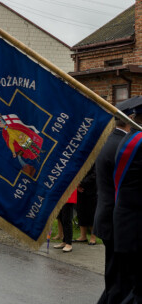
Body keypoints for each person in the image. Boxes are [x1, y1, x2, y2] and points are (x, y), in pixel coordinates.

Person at [94, 102, 132, 304]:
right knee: (118, 279)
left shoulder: (110, 141)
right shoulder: (122, 146)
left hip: (108, 215)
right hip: (117, 219)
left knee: (115, 276)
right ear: (130, 120)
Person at [112, 105, 142, 303]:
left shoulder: (128, 140)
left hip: (126, 225)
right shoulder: (138, 144)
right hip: (134, 230)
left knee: (124, 287)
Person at [74, 166, 97, 245]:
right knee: (81, 212)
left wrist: (81, 183)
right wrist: (76, 184)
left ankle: (93, 237)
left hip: (92, 190)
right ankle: (83, 236)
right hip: (79, 190)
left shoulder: (94, 158)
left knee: (92, 213)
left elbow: (94, 174)